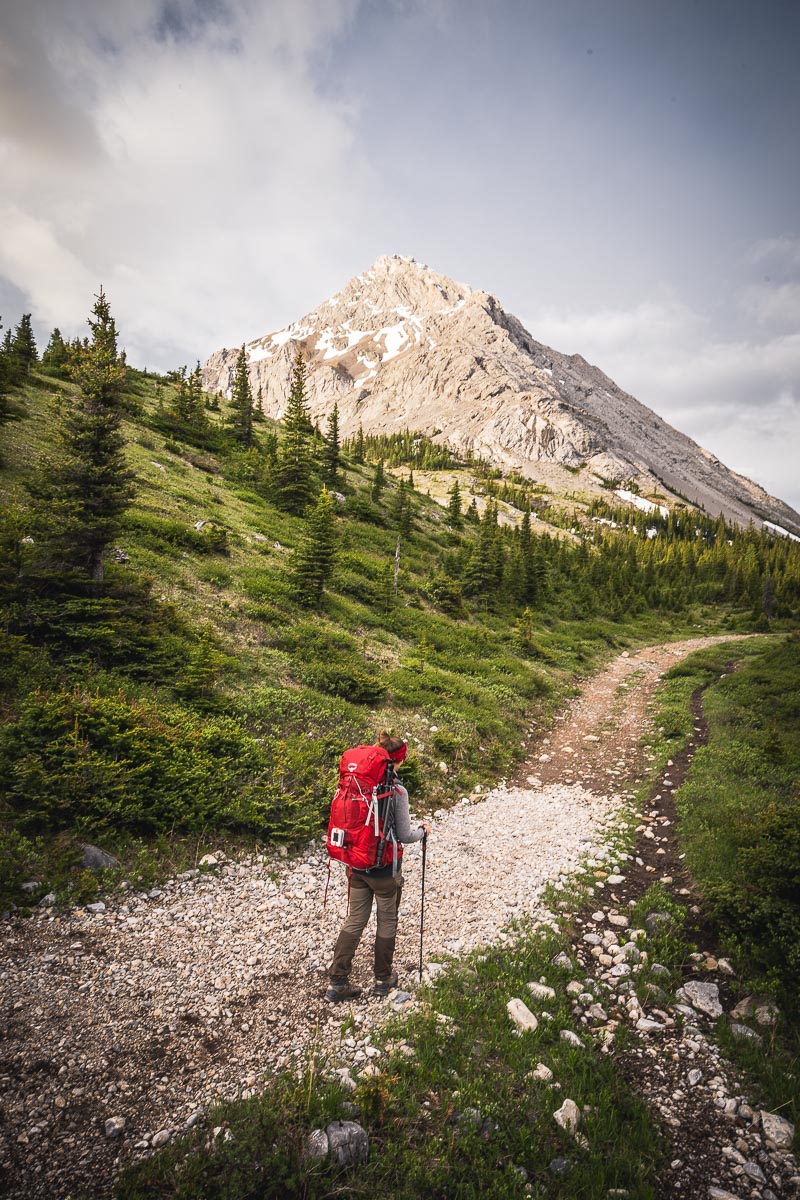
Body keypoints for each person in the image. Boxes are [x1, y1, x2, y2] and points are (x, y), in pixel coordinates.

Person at [326, 732, 430, 1002]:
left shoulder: (357, 784)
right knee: (387, 922)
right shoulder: (396, 790)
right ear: (398, 761)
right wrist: (423, 831)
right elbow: (405, 835)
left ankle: (337, 981)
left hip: (357, 865)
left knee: (355, 920)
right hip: (385, 869)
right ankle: (383, 979)